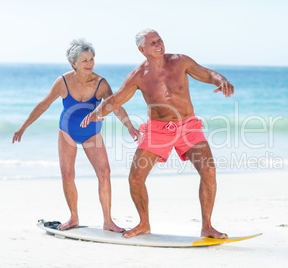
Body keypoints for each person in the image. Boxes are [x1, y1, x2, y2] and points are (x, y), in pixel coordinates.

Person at [81, 28, 234, 239]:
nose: (158, 44)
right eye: (152, 43)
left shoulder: (180, 61)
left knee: (208, 171)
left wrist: (221, 80)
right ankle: (144, 223)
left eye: (159, 40)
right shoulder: (138, 76)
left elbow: (207, 73)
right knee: (135, 178)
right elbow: (116, 100)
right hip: (158, 129)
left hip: (187, 126)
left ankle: (207, 226)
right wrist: (96, 113)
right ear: (142, 49)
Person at [12, 38, 140, 232]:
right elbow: (44, 104)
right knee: (67, 174)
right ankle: (73, 218)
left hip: (91, 134)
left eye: (91, 59)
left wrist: (129, 126)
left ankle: (108, 221)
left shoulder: (100, 83)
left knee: (104, 173)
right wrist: (24, 127)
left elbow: (115, 106)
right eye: (84, 60)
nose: (89, 64)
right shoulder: (63, 82)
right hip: (67, 132)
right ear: (73, 63)